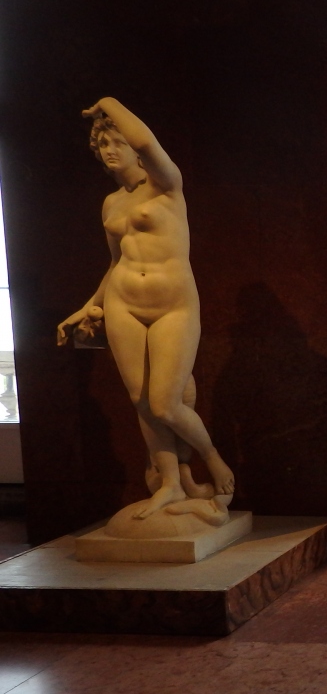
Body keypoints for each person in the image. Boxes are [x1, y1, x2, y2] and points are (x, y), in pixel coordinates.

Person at [58, 98, 234, 519]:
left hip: (173, 305)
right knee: (141, 399)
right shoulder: (111, 203)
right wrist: (88, 306)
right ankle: (171, 484)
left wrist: (107, 104)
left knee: (165, 403)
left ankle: (213, 460)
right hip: (123, 303)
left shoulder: (166, 184)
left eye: (117, 143)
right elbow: (116, 262)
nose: (110, 150)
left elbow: (145, 141)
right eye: (103, 144)